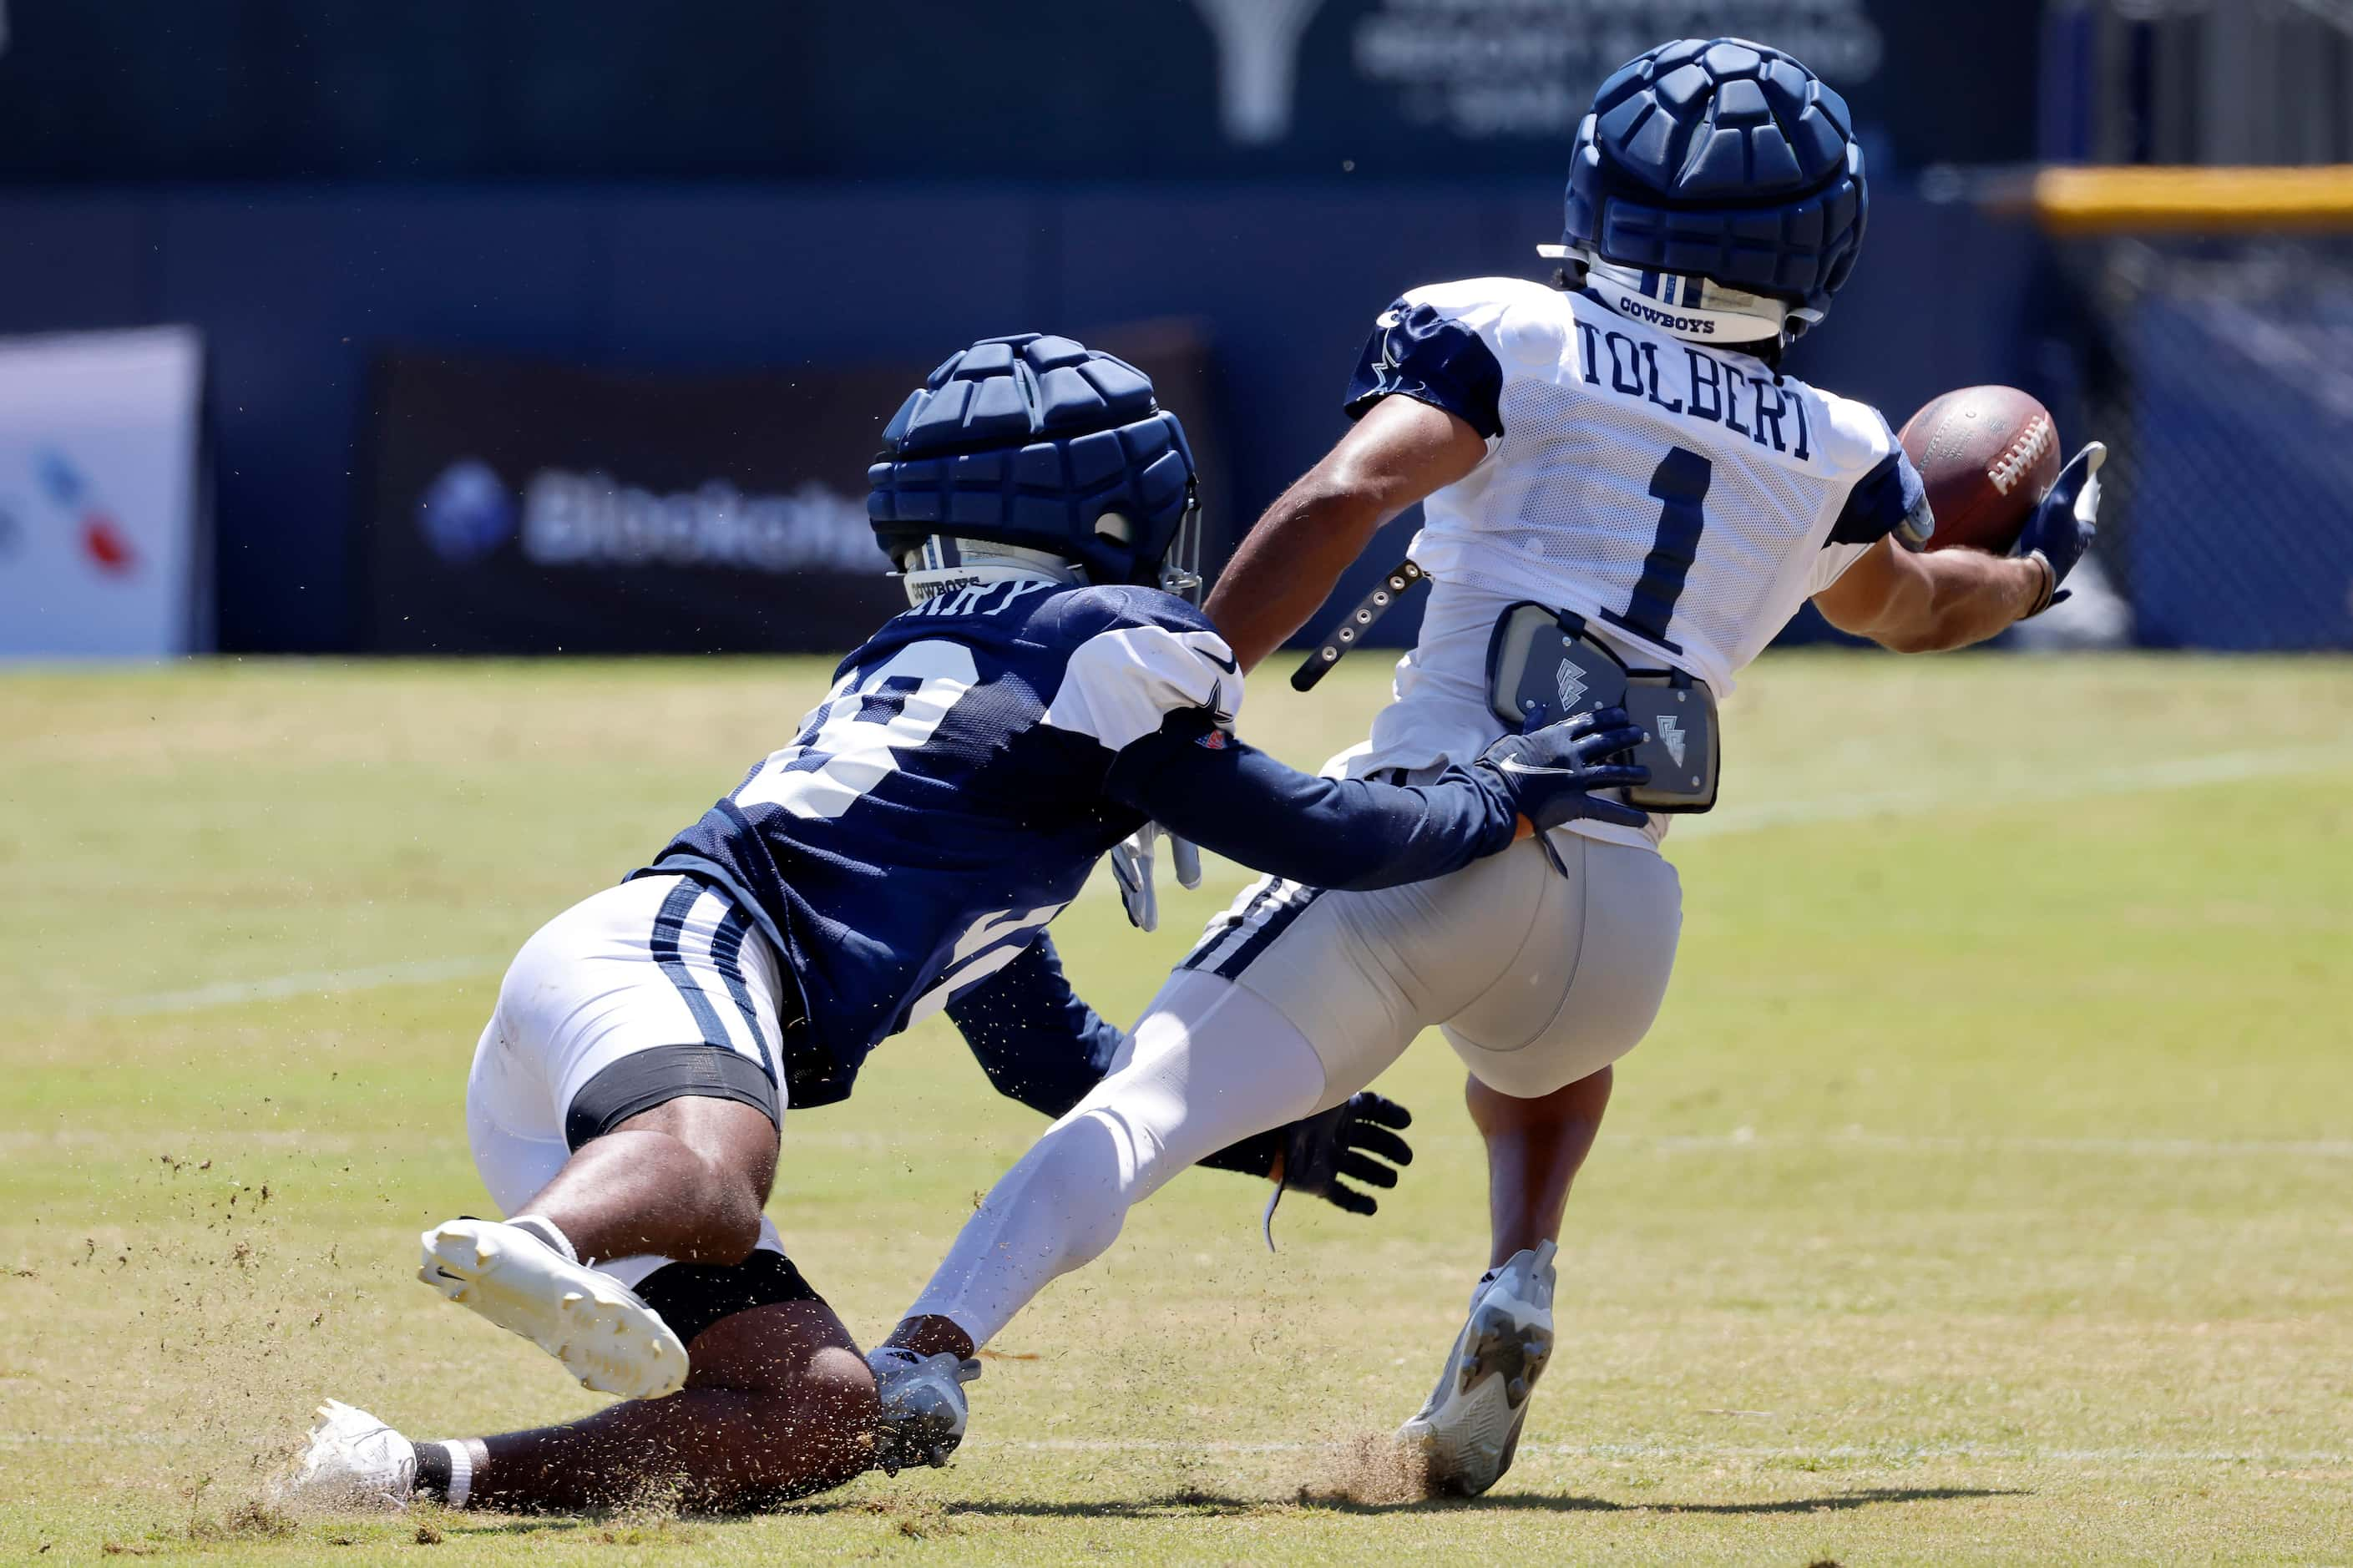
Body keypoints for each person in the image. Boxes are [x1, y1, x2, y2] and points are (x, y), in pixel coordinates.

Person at [874, 38, 2107, 1496]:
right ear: (1822, 238)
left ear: (1598, 192)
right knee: (1538, 1053)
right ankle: (1520, 1270)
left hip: (1424, 842)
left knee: (1139, 1105)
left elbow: (1349, 491)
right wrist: (2032, 574)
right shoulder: (1839, 447)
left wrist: (1172, 696)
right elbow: (1913, 607)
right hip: (1620, 927)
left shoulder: (1510, 329)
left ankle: (930, 1351)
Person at [276, 331, 1654, 1513]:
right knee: (714, 1181)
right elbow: (1327, 837)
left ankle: (407, 1473)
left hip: (605, 1044)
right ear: (1121, 512)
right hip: (680, 973)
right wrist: (1501, 790)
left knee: (817, 1410)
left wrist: (1260, 1137)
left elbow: (1040, 1052)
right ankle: (545, 1250)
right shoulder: (1106, 643)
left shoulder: (987, 718)